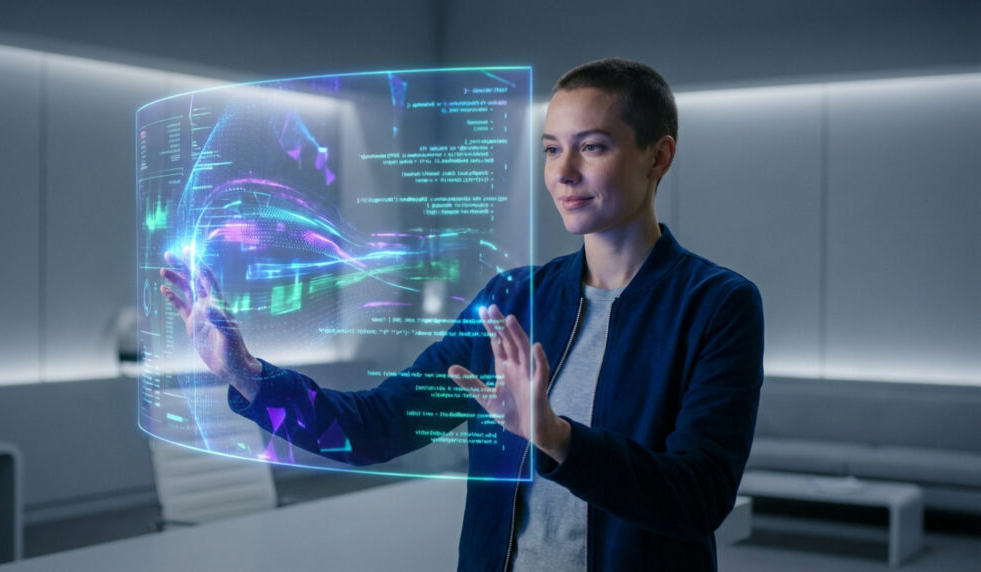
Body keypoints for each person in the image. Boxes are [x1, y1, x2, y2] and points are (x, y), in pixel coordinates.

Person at [161, 57, 764, 571]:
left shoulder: (717, 305)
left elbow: (699, 499)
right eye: (553, 148)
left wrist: (554, 436)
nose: (564, 172)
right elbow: (377, 425)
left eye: (593, 147)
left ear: (659, 157)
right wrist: (246, 373)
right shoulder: (511, 299)